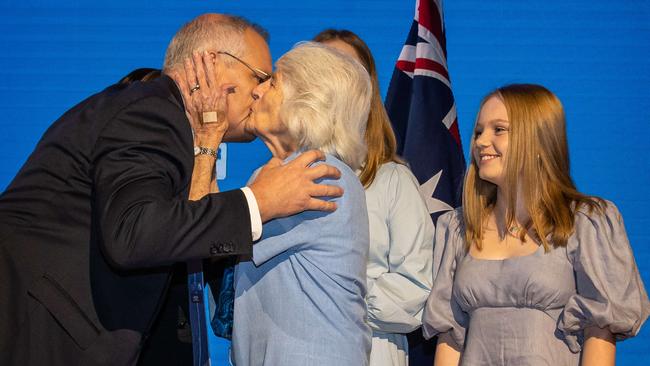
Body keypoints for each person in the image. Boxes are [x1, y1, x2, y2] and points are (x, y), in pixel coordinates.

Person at [0, 14, 345, 366]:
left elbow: (176, 238)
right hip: (41, 332)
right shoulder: (152, 112)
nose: (259, 92)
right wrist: (258, 202)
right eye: (259, 77)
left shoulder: (159, 115)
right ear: (212, 64)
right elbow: (133, 233)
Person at [422, 84, 650, 365]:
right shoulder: (458, 228)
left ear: (538, 139)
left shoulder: (585, 221)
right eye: (479, 131)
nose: (481, 142)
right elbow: (450, 337)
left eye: (499, 130)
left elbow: (599, 332)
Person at [222, 41, 373, 365]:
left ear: (308, 101)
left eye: (273, 82)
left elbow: (214, 235)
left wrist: (207, 134)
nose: (257, 91)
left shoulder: (321, 177)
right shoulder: (275, 174)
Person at [314, 29, 434, 366]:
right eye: (324, 69)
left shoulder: (392, 181)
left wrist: (332, 292)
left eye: (347, 71)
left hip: (371, 349)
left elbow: (417, 291)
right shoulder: (276, 179)